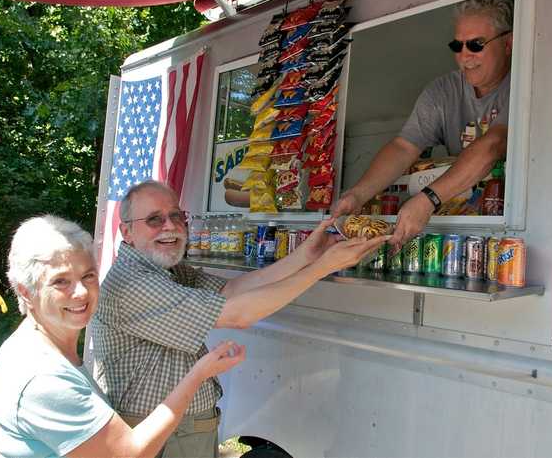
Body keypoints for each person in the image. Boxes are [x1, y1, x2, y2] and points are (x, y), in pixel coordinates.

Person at [91, 180, 389, 458]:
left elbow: (232, 291)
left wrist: (307, 256)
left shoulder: (166, 270)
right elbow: (238, 314)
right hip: (158, 432)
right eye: (154, 219)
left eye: (176, 215)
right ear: (126, 232)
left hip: (181, 429)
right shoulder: (133, 282)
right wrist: (323, 267)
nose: (170, 226)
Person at [0, 215, 246, 458]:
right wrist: (198, 374)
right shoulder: (44, 379)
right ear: (26, 291)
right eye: (61, 281)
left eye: (88, 276)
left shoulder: (38, 347)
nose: (81, 293)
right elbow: (129, 454)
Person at [331, 0, 514, 246]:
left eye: (475, 45)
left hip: (508, 231)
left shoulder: (521, 85)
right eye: (456, 46)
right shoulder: (443, 91)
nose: (464, 56)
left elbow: (494, 144)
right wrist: (356, 195)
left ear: (508, 43)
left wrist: (429, 199)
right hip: (460, 226)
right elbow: (404, 146)